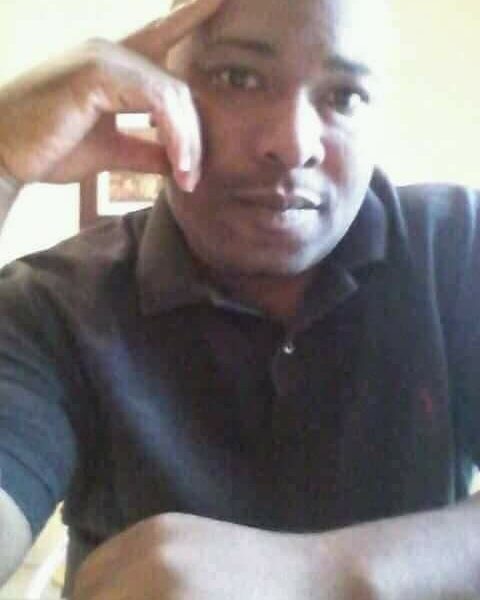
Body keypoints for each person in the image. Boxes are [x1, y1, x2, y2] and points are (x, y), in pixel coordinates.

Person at [1, 0, 480, 597]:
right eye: (239, 78)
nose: (293, 144)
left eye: (344, 96)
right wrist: (3, 159)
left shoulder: (456, 246)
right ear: (155, 90)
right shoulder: (54, 306)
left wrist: (322, 575)